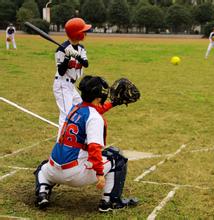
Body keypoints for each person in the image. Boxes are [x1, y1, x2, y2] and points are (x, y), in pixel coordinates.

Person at [34, 76, 138, 212]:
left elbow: (92, 110)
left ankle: (42, 191)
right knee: (117, 158)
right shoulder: (94, 118)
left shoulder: (74, 109)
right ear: (99, 98)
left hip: (52, 171)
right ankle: (109, 201)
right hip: (74, 174)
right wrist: (100, 174)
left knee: (43, 166)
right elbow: (94, 147)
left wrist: (112, 104)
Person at [53, 18, 91, 135]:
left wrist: (77, 56)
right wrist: (67, 58)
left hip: (71, 86)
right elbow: (61, 71)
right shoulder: (61, 49)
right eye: (83, 31)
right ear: (77, 34)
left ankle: (78, 137)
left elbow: (86, 64)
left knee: (81, 108)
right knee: (66, 115)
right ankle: (60, 146)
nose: (85, 34)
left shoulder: (81, 48)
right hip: (62, 84)